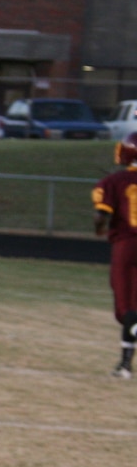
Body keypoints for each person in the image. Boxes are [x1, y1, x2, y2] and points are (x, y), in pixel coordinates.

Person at [91, 133, 137, 377]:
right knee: (134, 310)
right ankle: (125, 364)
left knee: (126, 309)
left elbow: (101, 215)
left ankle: (126, 365)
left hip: (128, 246)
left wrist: (99, 229)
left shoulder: (114, 181)